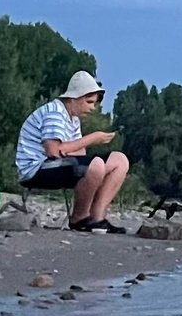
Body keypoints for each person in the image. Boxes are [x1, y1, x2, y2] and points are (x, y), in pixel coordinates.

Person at [15, 71, 130, 233]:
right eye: (89, 102)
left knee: (119, 160)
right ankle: (79, 218)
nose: (92, 108)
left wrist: (82, 150)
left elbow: (78, 152)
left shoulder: (73, 119)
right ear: (75, 98)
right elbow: (53, 151)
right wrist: (94, 137)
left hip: (57, 164)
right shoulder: (54, 112)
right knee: (96, 165)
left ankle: (97, 218)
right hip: (36, 168)